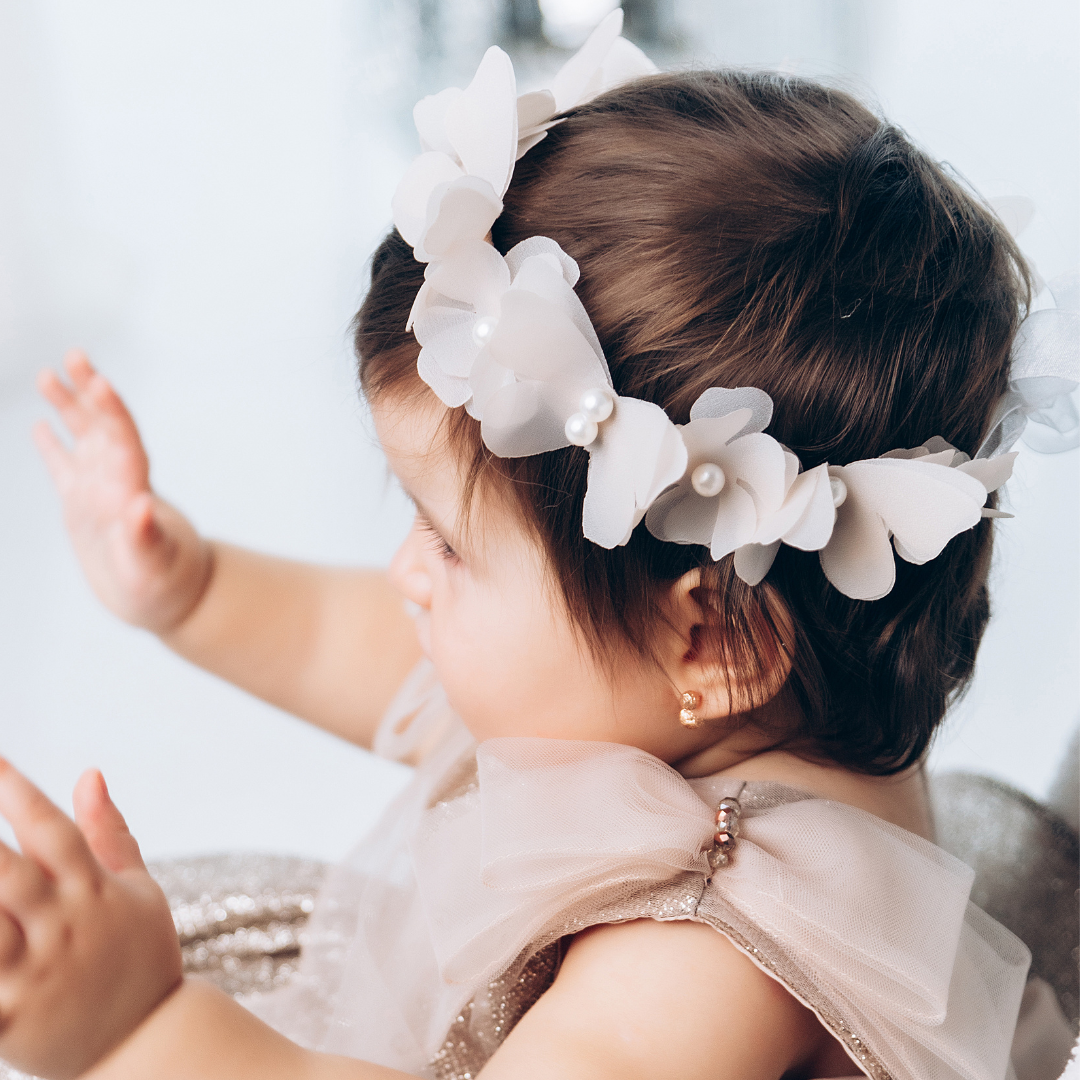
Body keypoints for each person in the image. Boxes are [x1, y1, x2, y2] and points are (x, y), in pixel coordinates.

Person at [6, 10, 1075, 1080]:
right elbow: (398, 655)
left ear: (716, 638)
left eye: (451, 547)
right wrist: (190, 589)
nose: (407, 576)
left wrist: (140, 1032)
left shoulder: (709, 953)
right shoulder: (688, 693)